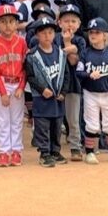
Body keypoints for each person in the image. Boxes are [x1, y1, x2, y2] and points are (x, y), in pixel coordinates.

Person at [76, 17, 108, 165]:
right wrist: (88, 74)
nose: (93, 35)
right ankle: (90, 152)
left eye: (97, 32)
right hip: (91, 93)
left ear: (104, 35)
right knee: (92, 124)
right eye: (91, 32)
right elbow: (78, 72)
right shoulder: (85, 53)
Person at [25, 17, 70, 167]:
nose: (47, 36)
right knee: (42, 127)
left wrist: (63, 92)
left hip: (57, 98)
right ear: (37, 35)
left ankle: (55, 151)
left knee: (56, 126)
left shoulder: (61, 54)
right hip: (41, 98)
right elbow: (30, 77)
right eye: (43, 33)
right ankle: (44, 153)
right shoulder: (32, 56)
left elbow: (66, 75)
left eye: (50, 32)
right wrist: (42, 89)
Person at [0, 4, 27, 167]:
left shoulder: (22, 42)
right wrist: (2, 92)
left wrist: (21, 87)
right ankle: (4, 151)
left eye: (11, 21)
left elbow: (26, 68)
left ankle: (16, 151)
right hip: (2, 82)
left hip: (17, 83)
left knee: (17, 120)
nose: (8, 25)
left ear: (17, 23)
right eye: (3, 22)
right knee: (3, 119)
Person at [57, 4, 87, 162]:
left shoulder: (81, 41)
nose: (70, 24)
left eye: (73, 21)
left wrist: (68, 45)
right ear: (59, 22)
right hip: (56, 84)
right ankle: (53, 148)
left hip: (74, 85)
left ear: (79, 24)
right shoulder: (54, 37)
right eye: (66, 20)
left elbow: (74, 61)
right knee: (55, 118)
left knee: (73, 119)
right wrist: (69, 48)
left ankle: (75, 146)